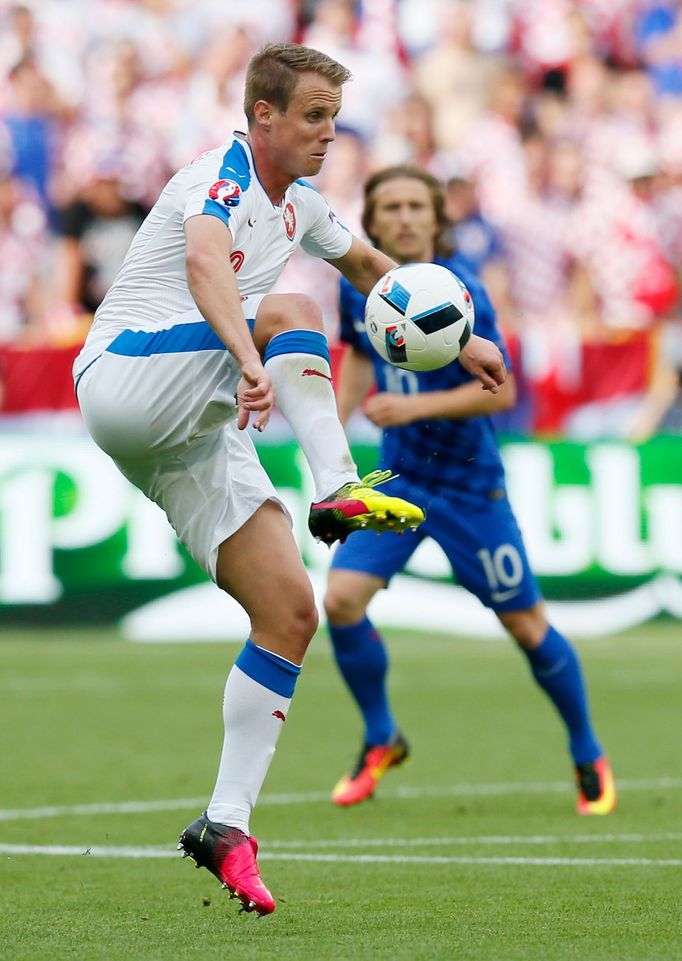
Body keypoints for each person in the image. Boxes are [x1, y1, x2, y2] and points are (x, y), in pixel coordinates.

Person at [72, 44, 507, 916]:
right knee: (294, 313)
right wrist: (247, 357)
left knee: (291, 611)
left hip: (191, 429)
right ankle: (338, 482)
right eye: (312, 116)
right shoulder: (219, 180)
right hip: (126, 377)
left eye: (334, 120)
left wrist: (461, 340)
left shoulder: (300, 204)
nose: (327, 134)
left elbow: (375, 272)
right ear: (262, 113)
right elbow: (204, 266)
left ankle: (224, 823)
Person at [323, 164, 616, 819]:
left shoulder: (462, 293)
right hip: (397, 481)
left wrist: (414, 412)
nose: (402, 217)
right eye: (389, 207)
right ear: (372, 221)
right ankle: (380, 736)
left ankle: (587, 750)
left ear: (436, 219)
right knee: (340, 600)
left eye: (414, 206)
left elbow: (504, 390)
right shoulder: (357, 292)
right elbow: (359, 362)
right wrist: (331, 439)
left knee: (525, 623)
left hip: (466, 486)